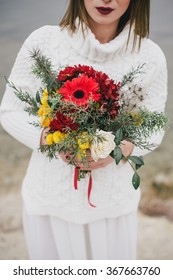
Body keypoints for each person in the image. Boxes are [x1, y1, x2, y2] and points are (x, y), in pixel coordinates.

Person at [0, 0, 167, 260]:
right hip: (50, 202)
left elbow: (154, 127)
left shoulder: (150, 55)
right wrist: (52, 141)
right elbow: (10, 111)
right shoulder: (43, 41)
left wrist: (121, 149)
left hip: (113, 206)